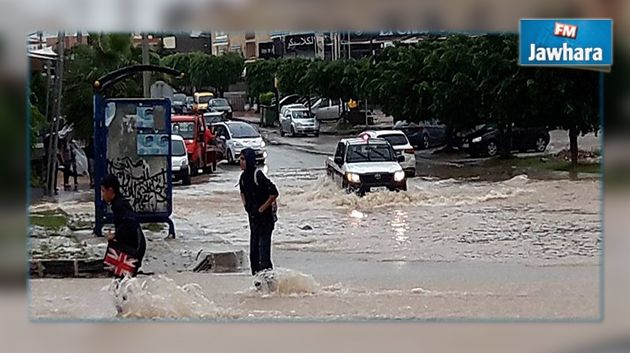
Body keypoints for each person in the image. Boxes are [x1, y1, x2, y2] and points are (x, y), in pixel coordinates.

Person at [239, 148, 278, 276]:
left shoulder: (258, 175)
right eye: (240, 159)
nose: (241, 162)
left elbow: (274, 192)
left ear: (249, 160)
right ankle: (258, 286)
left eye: (243, 159)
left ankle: (270, 287)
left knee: (264, 257)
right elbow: (242, 192)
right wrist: (246, 206)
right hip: (254, 222)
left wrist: (262, 208)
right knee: (254, 257)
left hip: (265, 222)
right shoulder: (243, 177)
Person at [100, 174, 146, 277]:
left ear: (110, 190)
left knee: (124, 279)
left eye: (103, 191)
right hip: (132, 246)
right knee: (123, 280)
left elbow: (129, 223)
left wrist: (115, 235)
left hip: (134, 248)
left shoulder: (119, 205)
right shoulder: (118, 203)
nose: (102, 195)